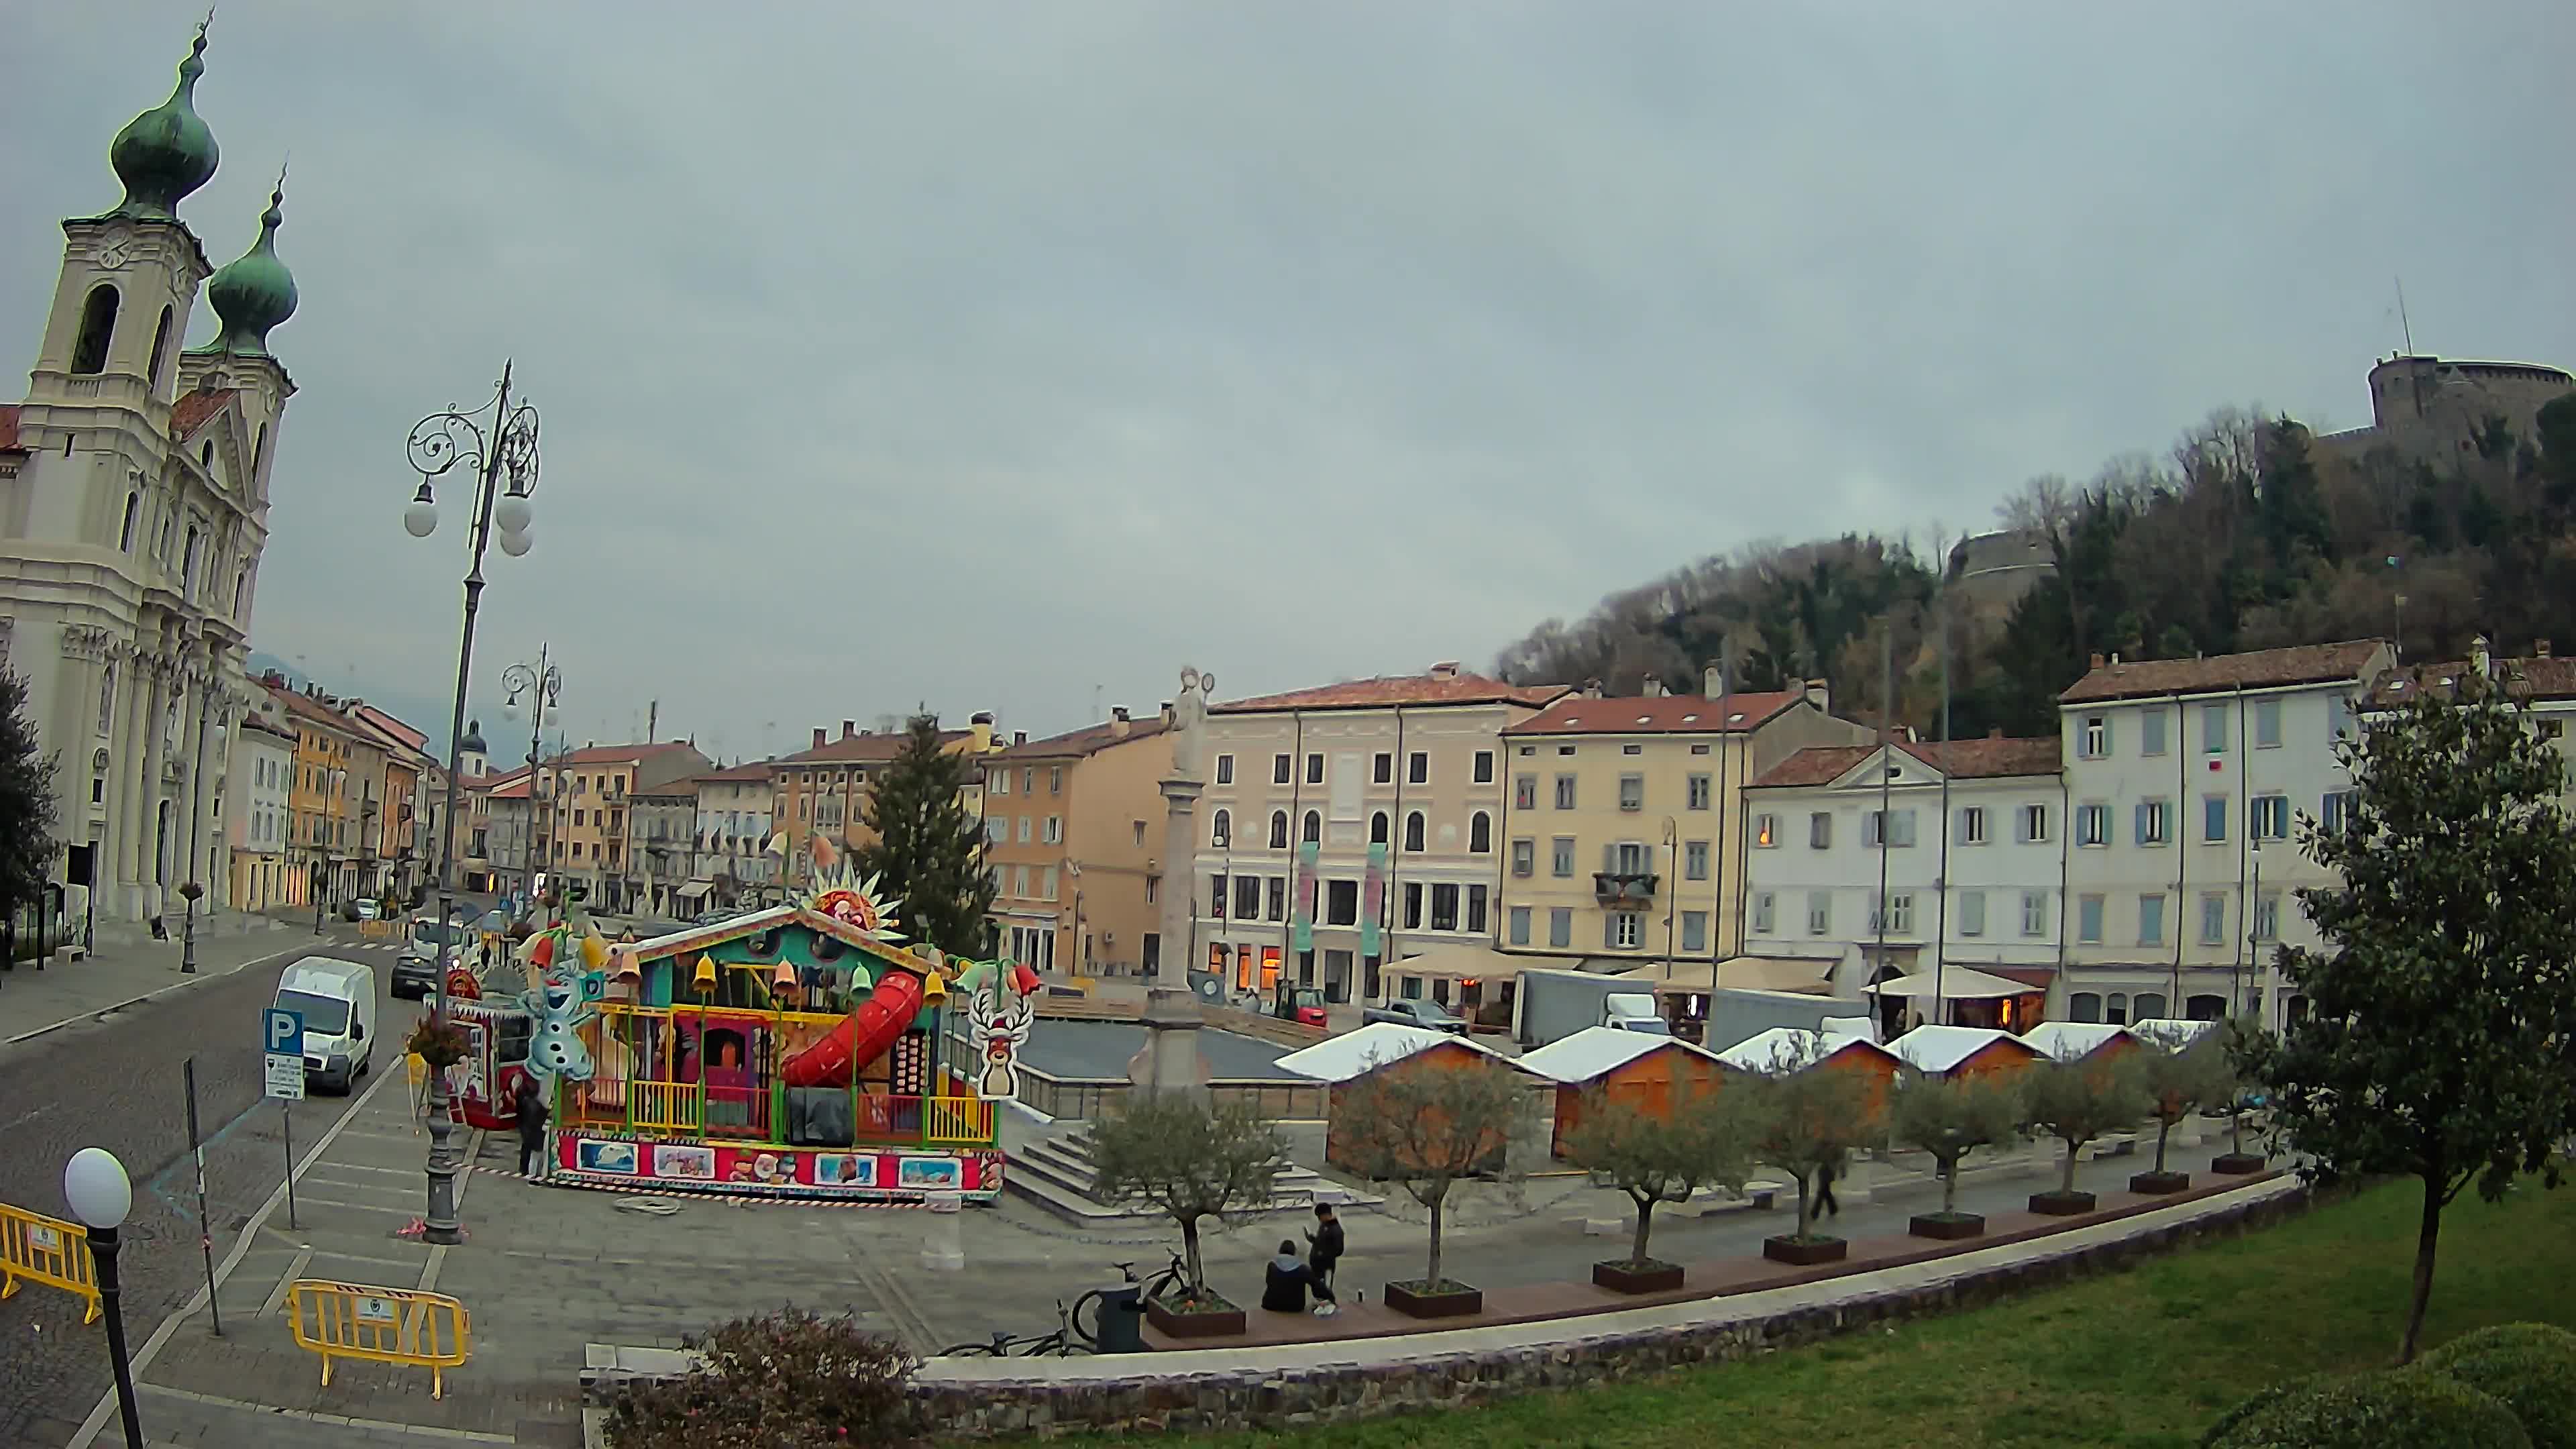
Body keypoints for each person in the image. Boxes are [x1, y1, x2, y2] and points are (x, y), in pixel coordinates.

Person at [1262, 1238, 1337, 1317]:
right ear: (1294, 1252)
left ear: (1280, 1251)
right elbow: (1318, 1285)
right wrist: (1331, 1298)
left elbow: (1269, 1282)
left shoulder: (1272, 1265)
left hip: (1271, 1304)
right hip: (1295, 1306)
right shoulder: (1302, 1268)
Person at [514, 1072, 550, 1181]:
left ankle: (525, 1170)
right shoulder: (537, 1104)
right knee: (536, 1152)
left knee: (527, 1147)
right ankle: (532, 1174)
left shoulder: (524, 1099)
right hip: (534, 1126)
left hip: (526, 1124)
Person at [1304, 1202, 1345, 1297]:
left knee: (1325, 1290)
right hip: (1317, 1265)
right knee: (1318, 1290)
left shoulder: (1335, 1229)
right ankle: (1320, 1304)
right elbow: (1322, 1242)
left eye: (1320, 1216)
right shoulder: (1325, 1225)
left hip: (1326, 1266)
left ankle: (1327, 1306)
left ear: (1326, 1215)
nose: (1319, 1219)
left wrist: (1323, 1253)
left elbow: (1339, 1250)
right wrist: (1313, 1239)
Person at [1815, 1154, 1841, 1218]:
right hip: (1825, 1170)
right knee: (1826, 1192)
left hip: (1827, 1171)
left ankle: (1815, 1212)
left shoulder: (1829, 1150)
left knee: (1822, 1192)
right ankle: (1833, 1209)